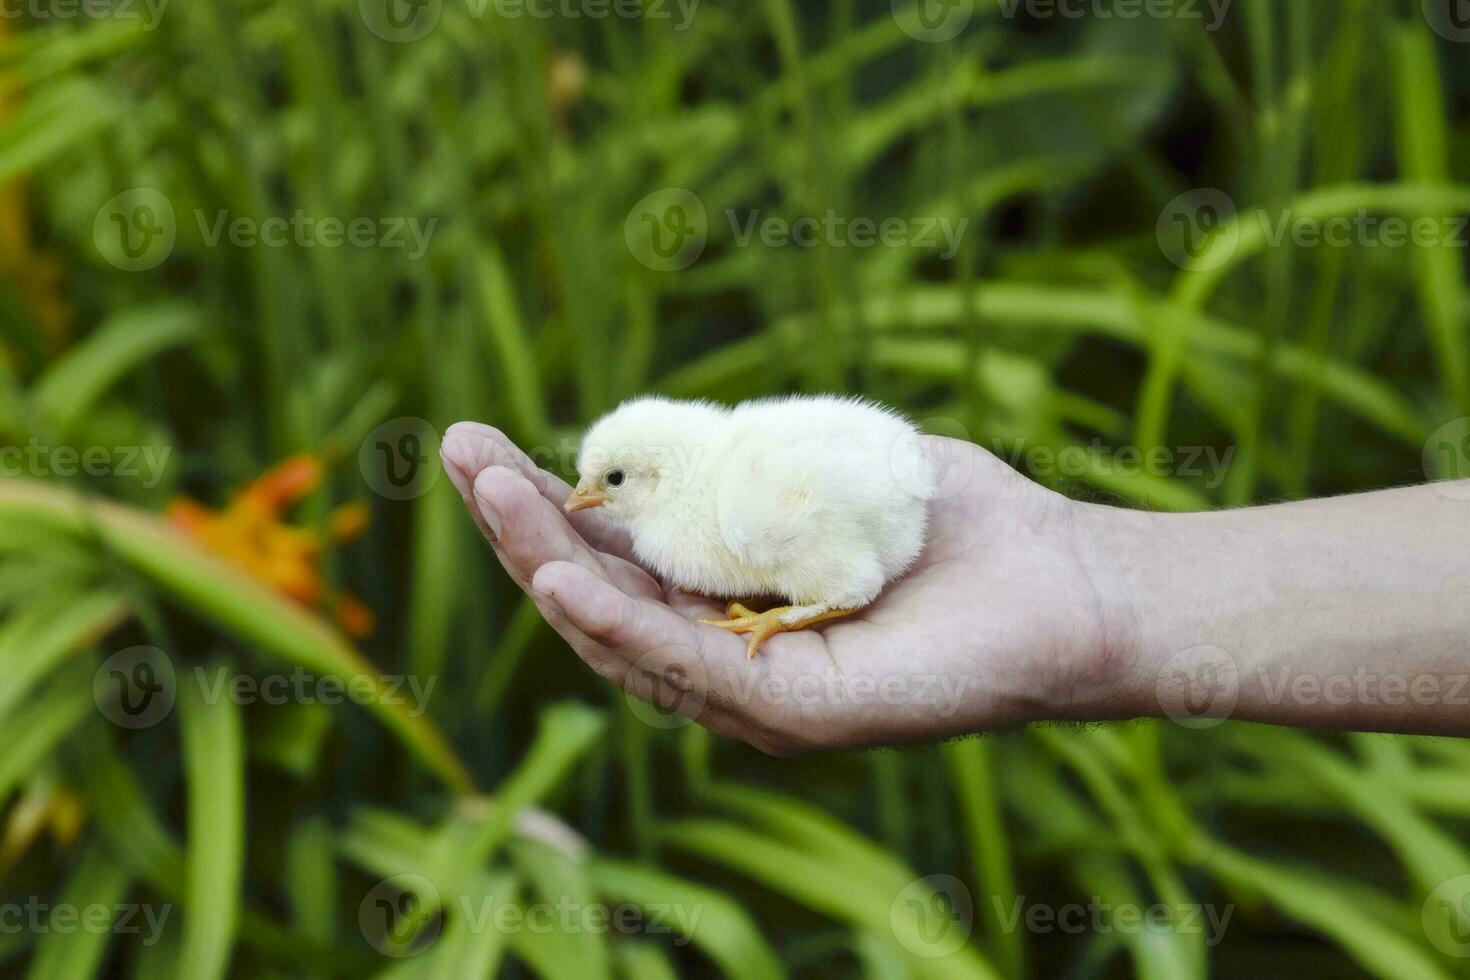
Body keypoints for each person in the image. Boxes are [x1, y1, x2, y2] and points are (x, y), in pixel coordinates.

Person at [440, 421, 1470, 754]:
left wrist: (799, 607)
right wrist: (1104, 583)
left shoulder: (723, 501)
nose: (591, 499)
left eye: (609, 484)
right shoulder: (707, 478)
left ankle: (805, 602)